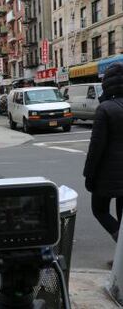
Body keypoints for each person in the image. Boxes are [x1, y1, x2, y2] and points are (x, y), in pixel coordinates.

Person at [83, 62, 123, 255]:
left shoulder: (105, 109)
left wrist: (89, 176)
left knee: (99, 210)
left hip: (107, 175)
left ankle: (121, 251)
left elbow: (95, 148)